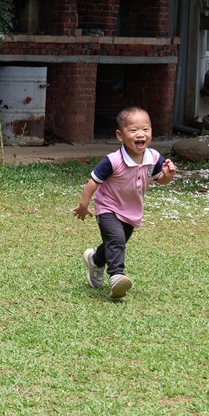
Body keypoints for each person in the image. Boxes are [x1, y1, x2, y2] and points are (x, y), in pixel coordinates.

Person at [72, 107, 177, 298]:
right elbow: (93, 182)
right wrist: (83, 205)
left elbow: (160, 179)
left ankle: (95, 260)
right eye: (134, 130)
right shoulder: (113, 160)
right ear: (120, 135)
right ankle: (116, 276)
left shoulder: (153, 157)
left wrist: (167, 175)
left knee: (114, 243)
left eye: (145, 129)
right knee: (117, 240)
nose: (140, 134)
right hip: (107, 207)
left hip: (131, 210)